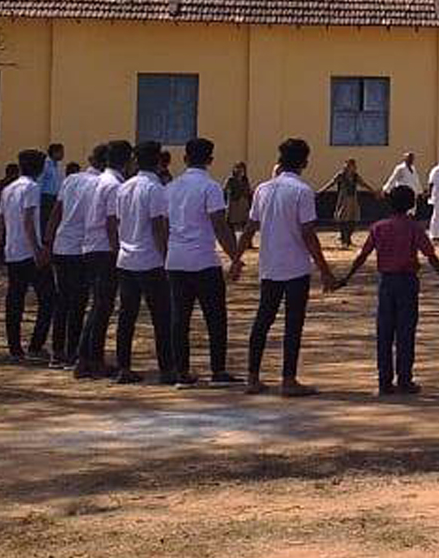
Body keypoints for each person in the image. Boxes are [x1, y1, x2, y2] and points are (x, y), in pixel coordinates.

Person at [333, 185, 439, 396]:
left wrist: (346, 278)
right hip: (407, 282)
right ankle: (405, 379)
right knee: (406, 332)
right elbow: (430, 256)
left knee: (385, 332)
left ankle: (384, 380)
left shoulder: (379, 227)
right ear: (411, 205)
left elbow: (362, 256)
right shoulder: (414, 228)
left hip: (386, 282)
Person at [244, 138, 338, 396]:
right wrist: (325, 270)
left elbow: (250, 227)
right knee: (292, 324)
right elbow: (308, 233)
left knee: (263, 320)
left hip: (270, 265)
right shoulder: (302, 191)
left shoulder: (263, 189)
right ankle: (288, 379)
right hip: (295, 267)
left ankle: (252, 377)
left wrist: (237, 258)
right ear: (304, 162)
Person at [165, 138, 240, 384]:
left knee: (179, 319)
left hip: (176, 260)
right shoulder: (211, 187)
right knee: (215, 317)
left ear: (185, 158)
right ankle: (217, 370)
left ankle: (181, 371)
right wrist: (235, 257)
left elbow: (164, 224)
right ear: (210, 160)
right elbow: (219, 224)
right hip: (204, 260)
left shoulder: (171, 187)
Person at [110, 140, 179, 385]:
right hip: (150, 259)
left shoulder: (124, 187)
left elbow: (117, 222)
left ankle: (124, 366)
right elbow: (158, 226)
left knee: (126, 316)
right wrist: (166, 258)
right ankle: (167, 367)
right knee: (162, 316)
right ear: (159, 161)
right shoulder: (155, 188)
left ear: (136, 160)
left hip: (126, 258)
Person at [69, 142, 129, 379]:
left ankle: (86, 357)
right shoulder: (114, 185)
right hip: (104, 249)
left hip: (91, 246)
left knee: (98, 306)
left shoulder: (98, 181)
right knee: (102, 306)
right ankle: (91, 359)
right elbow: (111, 222)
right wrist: (117, 252)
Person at [45, 143, 107, 368]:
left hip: (62, 245)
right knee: (80, 302)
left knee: (63, 301)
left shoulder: (71, 179)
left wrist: (48, 242)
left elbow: (56, 211)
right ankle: (73, 351)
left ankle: (58, 351)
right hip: (82, 248)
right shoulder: (101, 184)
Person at [0, 150, 54, 362]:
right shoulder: (31, 188)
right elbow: (29, 220)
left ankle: (14, 348)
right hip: (29, 252)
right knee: (48, 298)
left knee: (15, 300)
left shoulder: (8, 189)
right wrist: (37, 250)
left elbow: (0, 221)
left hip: (12, 251)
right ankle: (36, 345)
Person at [321, 158, 373, 246]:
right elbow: (331, 183)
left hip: (353, 199)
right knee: (343, 219)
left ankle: (348, 238)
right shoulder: (341, 175)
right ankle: (344, 238)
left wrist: (373, 191)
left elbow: (363, 184)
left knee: (352, 220)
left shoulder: (355, 176)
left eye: (351, 166)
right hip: (344, 199)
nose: (349, 167)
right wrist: (322, 191)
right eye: (348, 165)